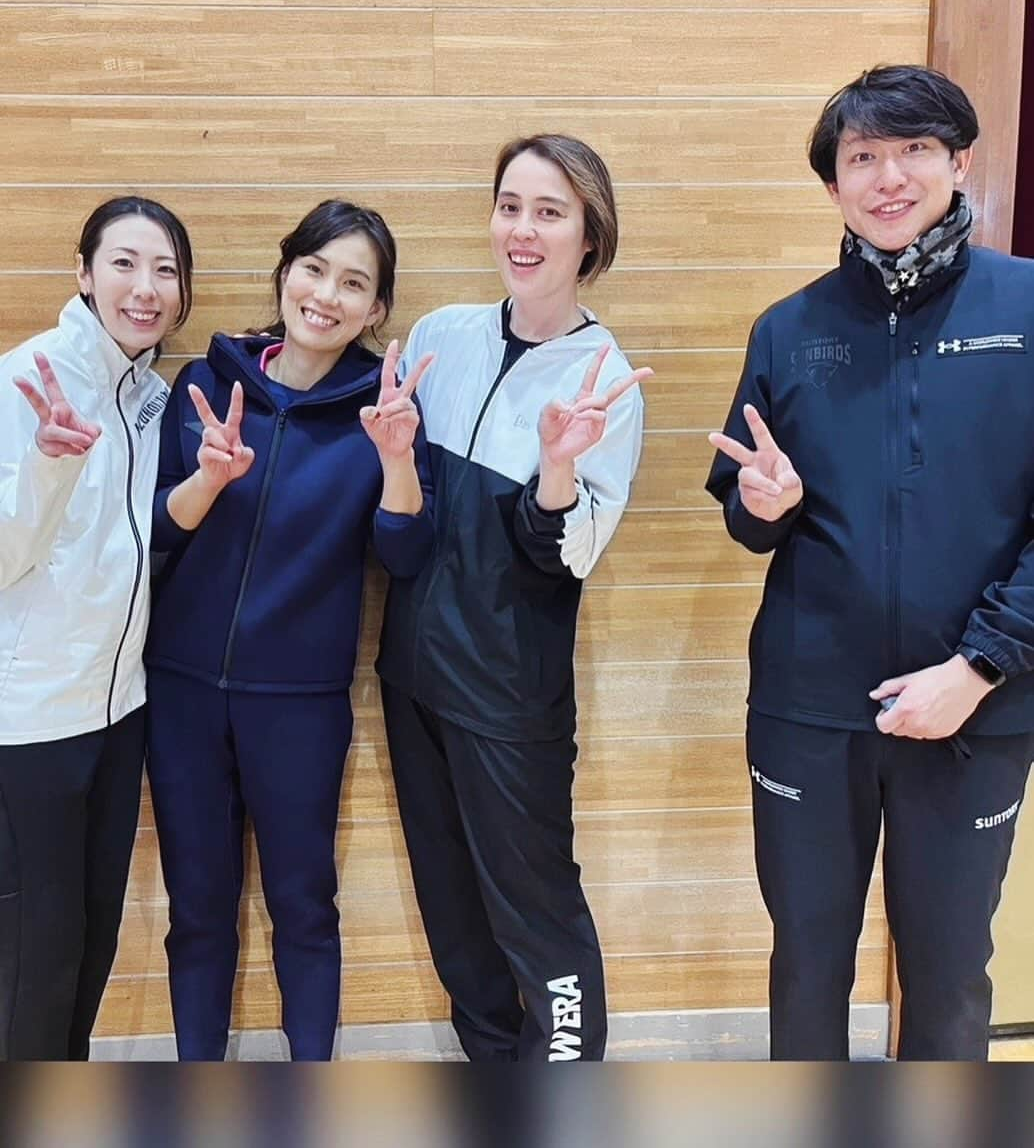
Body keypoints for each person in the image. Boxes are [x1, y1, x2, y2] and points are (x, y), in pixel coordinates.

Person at [706, 64, 1034, 1061]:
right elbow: (746, 506)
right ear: (832, 183)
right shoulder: (790, 329)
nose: (886, 177)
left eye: (911, 151)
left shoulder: (1025, 306)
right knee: (805, 963)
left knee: (945, 974)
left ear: (956, 161)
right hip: (807, 711)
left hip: (974, 707)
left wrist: (975, 669)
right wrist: (760, 506)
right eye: (860, 157)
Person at [377, 134, 652, 1062]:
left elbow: (565, 559)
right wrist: (393, 461)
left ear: (588, 236)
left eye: (549, 211)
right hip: (413, 678)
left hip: (510, 697)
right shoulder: (440, 336)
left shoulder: (600, 376)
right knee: (454, 914)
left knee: (536, 915)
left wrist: (561, 469)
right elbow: (402, 539)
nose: (522, 230)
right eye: (509, 206)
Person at [144, 200, 434, 1061]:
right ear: (285, 272)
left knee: (305, 906)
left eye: (355, 284)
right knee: (196, 911)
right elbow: (157, 531)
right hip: (183, 693)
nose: (327, 295)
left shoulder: (380, 412)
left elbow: (407, 553)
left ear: (376, 310)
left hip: (300, 704)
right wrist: (207, 477)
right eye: (315, 268)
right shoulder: (205, 384)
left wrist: (394, 463)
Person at [0, 194, 194, 1060]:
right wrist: (44, 467)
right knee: (30, 963)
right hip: (29, 721)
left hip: (119, 715)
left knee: (89, 949)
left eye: (165, 270)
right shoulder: (27, 380)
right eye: (123, 262)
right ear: (83, 273)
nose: (145, 287)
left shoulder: (145, 395)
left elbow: (131, 541)